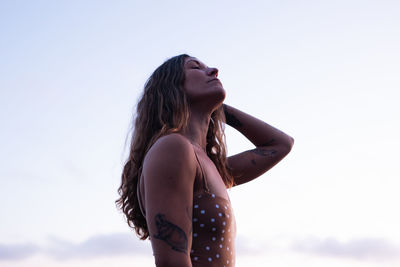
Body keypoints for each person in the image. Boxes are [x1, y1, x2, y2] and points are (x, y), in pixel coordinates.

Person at [116, 54, 294, 267]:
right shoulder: (173, 148)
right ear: (172, 88)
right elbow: (172, 263)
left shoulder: (209, 166)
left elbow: (281, 145)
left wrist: (218, 107)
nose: (213, 70)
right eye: (195, 68)